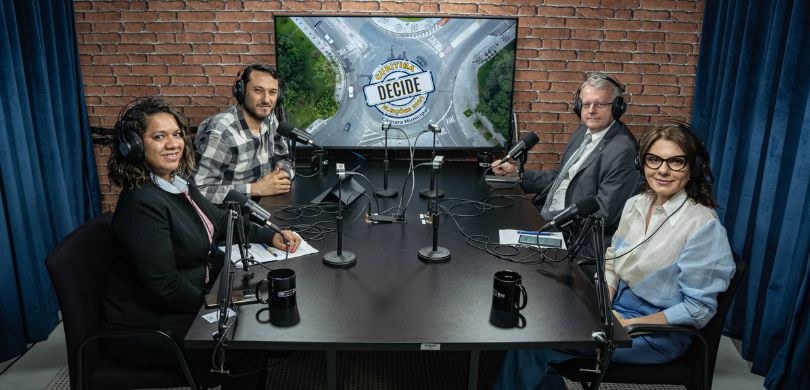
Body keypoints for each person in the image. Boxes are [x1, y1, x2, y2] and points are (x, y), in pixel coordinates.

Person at [495, 120, 737, 389]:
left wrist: (630, 323)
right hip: (614, 312)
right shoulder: (636, 203)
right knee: (533, 325)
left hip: (655, 334)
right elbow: (611, 260)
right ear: (641, 164)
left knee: (535, 345)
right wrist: (605, 304)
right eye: (654, 160)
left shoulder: (703, 225)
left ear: (694, 167)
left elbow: (699, 308)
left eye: (676, 162)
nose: (663, 170)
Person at [103, 97, 301, 389]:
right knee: (247, 342)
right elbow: (165, 288)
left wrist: (270, 234)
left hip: (186, 301)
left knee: (255, 322)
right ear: (133, 146)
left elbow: (220, 221)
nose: (173, 144)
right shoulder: (141, 204)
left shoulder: (176, 184)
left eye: (176, 134)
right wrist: (221, 303)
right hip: (147, 326)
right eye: (159, 136)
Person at [492, 73, 641, 240]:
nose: (591, 111)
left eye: (600, 104)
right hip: (548, 218)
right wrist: (517, 174)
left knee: (500, 241)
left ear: (617, 107)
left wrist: (544, 221)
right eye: (586, 104)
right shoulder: (583, 133)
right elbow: (561, 177)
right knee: (494, 218)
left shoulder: (624, 151)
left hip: (574, 237)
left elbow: (604, 213)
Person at [194, 63, 293, 204]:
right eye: (258, 90)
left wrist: (283, 175)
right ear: (241, 91)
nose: (266, 100)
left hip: (265, 203)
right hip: (233, 216)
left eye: (272, 92)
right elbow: (200, 191)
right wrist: (256, 189)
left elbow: (283, 157)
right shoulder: (220, 133)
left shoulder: (269, 118)